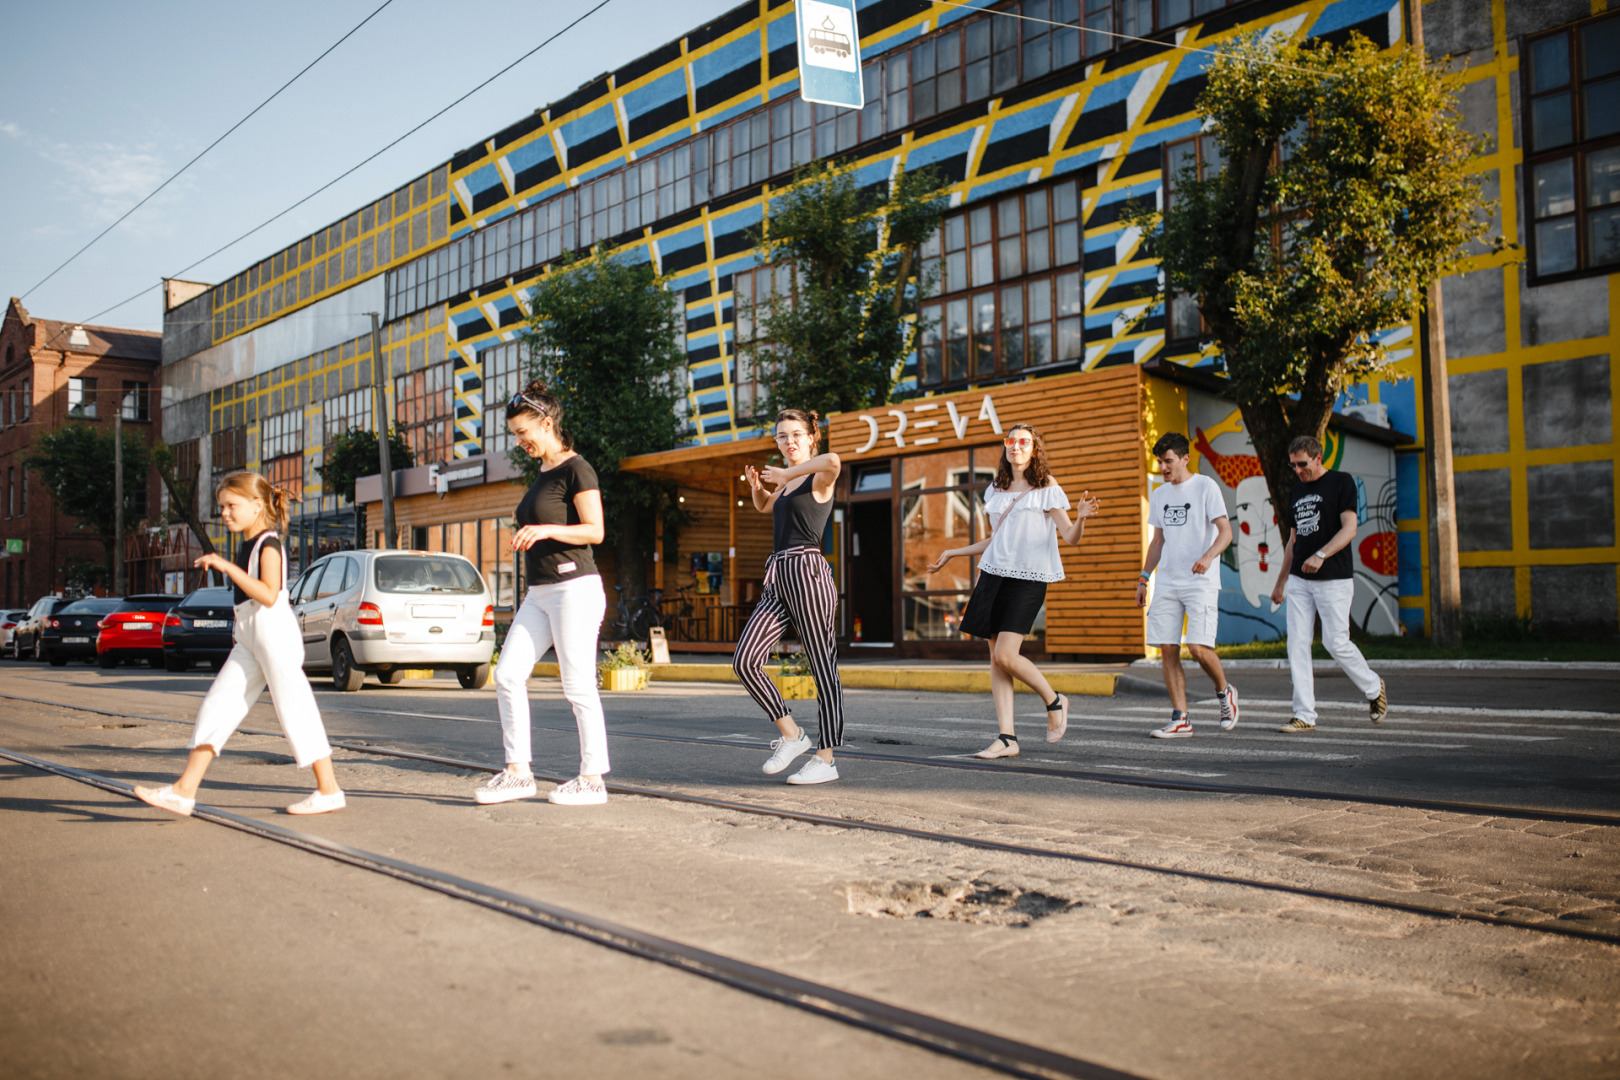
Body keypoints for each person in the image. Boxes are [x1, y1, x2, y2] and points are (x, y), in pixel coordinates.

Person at [134, 472, 344, 816]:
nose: (225, 513)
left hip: (273, 633)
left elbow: (269, 594)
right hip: (250, 637)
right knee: (218, 706)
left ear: (257, 505)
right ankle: (183, 791)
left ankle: (330, 789)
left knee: (295, 708)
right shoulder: (248, 543)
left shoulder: (269, 544)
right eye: (222, 507)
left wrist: (226, 566)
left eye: (232, 505)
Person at [474, 381, 612, 806]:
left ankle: (593, 779)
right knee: (508, 674)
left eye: (523, 433)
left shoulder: (577, 469)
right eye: (514, 434)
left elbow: (596, 531)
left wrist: (545, 528)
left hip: (575, 589)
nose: (519, 441)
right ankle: (518, 772)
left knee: (577, 686)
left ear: (546, 423)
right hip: (541, 592)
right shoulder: (541, 474)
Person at [927, 424, 1100, 759]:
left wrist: (1080, 519)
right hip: (992, 575)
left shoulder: (1046, 486)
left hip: (1029, 577)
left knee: (1007, 654)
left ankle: (1054, 700)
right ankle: (1007, 738)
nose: (1016, 447)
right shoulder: (997, 488)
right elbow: (997, 540)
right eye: (1011, 441)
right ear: (1005, 447)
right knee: (995, 660)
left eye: (1024, 442)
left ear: (1034, 449)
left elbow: (1070, 537)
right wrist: (954, 553)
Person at [733, 409, 846, 785]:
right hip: (778, 576)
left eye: (796, 434)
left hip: (808, 572)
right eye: (782, 436)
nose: (789, 441)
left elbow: (834, 459)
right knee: (745, 661)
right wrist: (757, 486)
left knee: (821, 665)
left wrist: (785, 473)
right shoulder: (784, 484)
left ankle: (826, 758)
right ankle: (793, 735)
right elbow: (765, 506)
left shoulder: (817, 476)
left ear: (812, 437)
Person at [1269, 435, 1387, 731]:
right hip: (1299, 579)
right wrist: (1280, 582)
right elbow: (1293, 541)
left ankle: (1373, 688)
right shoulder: (1296, 491)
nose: (1297, 470)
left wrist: (1321, 554)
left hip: (1333, 577)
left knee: (1336, 642)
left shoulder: (1341, 482)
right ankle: (1304, 715)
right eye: (1293, 465)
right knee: (1297, 643)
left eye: (1302, 464)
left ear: (1318, 458)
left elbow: (1350, 529)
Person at [1137, 432, 1239, 738]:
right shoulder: (1160, 495)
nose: (1163, 467)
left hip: (1200, 581)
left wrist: (1208, 556)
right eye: (1159, 462)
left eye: (1168, 461)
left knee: (1197, 647)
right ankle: (1181, 717)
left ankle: (1224, 691)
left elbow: (1225, 532)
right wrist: (1144, 578)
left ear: (1184, 458)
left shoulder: (1206, 486)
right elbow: (1157, 541)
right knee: (1168, 647)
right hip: (1168, 580)